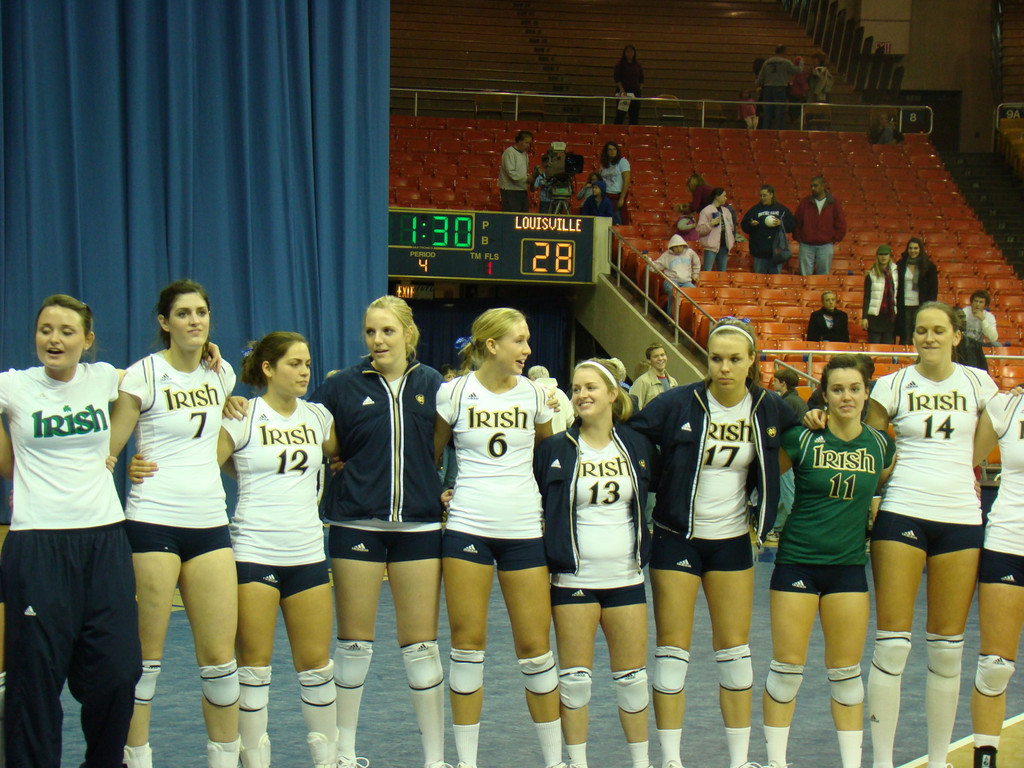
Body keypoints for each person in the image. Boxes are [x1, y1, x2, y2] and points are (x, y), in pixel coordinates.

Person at [130, 332, 342, 768]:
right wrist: (138, 461)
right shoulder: (242, 415)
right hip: (253, 552)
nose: (304, 371)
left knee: (318, 668)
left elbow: (343, 457)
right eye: (294, 364)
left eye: (307, 363)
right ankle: (252, 761)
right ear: (267, 369)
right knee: (253, 670)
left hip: (307, 553)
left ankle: (328, 759)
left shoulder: (320, 418)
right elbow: (200, 460)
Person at [807, 302, 998, 768]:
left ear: (956, 335)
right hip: (902, 512)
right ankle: (883, 761)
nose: (928, 338)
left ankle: (937, 760)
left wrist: (958, 471)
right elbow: (862, 439)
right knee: (892, 644)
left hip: (960, 515)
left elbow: (985, 442)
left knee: (948, 650)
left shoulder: (979, 383)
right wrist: (818, 420)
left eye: (938, 330)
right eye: (921, 331)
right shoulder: (893, 385)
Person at [630, 318, 800, 768]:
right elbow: (633, 435)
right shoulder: (676, 403)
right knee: (672, 651)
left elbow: (798, 441)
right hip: (676, 538)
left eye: (734, 359)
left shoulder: (770, 407)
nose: (724, 368)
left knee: (734, 651)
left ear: (752, 362)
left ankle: (740, 759)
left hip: (731, 542)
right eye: (716, 359)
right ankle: (669, 759)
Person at [0, 295, 141, 767]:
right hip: (37, 543)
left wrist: (219, 373)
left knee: (119, 672)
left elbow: (162, 383)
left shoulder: (104, 378)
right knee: (35, 681)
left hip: (105, 541)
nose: (54, 339)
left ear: (87, 340)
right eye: (45, 329)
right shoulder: (15, 386)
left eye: (65, 331)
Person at [309, 295, 448, 768]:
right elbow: (293, 425)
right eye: (370, 331)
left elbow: (449, 446)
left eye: (387, 331)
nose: (377, 340)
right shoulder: (341, 387)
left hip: (419, 525)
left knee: (423, 645)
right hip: (355, 524)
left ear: (409, 334)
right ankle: (343, 753)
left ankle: (434, 758)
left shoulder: (436, 385)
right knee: (353, 642)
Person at [111, 280, 242, 768]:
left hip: (209, 524)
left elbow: (222, 415)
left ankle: (224, 759)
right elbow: (110, 446)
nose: (194, 321)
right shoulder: (141, 375)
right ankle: (137, 758)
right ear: (164, 322)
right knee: (145, 661)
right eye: (183, 313)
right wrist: (125, 464)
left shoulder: (221, 372)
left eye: (201, 312)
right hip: (152, 523)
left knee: (220, 660)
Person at [434, 308, 563, 768]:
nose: (528, 350)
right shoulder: (453, 393)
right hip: (468, 527)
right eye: (519, 341)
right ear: (491, 345)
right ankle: (466, 762)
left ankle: (554, 760)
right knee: (467, 646)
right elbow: (432, 456)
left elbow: (550, 460)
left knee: (535, 648)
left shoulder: (535, 394)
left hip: (524, 529)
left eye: (528, 340)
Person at [762, 354, 896, 768]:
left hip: (848, 567)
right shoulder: (802, 438)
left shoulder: (880, 444)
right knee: (787, 669)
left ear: (866, 393)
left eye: (855, 388)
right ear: (823, 394)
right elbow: (765, 481)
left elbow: (881, 483)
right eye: (837, 389)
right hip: (798, 562)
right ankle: (776, 762)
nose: (846, 396)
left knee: (846, 673)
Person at [535, 358, 658, 768]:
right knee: (575, 683)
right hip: (574, 579)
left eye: (591, 387)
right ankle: (577, 761)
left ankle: (641, 762)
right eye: (576, 388)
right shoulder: (555, 448)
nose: (582, 394)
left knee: (633, 681)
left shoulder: (637, 446)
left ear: (612, 394)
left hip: (626, 576)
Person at [970, 391, 1024, 768]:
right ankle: (985, 761)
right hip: (1008, 541)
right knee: (995, 667)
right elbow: (961, 460)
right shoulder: (1008, 405)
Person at [766, 369, 808, 544]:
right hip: (797, 453)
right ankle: (778, 527)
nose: (772, 383)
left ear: (783, 383)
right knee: (786, 494)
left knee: (788, 493)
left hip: (788, 453)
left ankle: (790, 530)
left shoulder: (787, 403)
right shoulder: (797, 400)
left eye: (775, 380)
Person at [794, 176, 846, 276]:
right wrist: (799, 237)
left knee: (823, 277)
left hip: (825, 245)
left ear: (823, 186)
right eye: (811, 186)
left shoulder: (834, 203)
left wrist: (832, 239)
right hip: (806, 244)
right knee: (804, 276)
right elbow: (797, 221)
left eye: (815, 185)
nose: (813, 188)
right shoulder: (805, 203)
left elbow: (840, 223)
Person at [741, 185, 796, 275]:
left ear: (771, 195)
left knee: (775, 281)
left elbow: (791, 225)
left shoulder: (781, 209)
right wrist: (751, 224)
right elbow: (744, 226)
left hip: (776, 253)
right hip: (759, 252)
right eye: (761, 195)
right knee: (759, 280)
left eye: (765, 195)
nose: (762, 198)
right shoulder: (755, 210)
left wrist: (781, 223)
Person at [895, 237, 940, 345]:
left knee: (919, 333)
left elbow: (933, 288)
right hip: (904, 305)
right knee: (905, 335)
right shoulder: (900, 265)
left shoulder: (929, 266)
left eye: (915, 248)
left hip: (921, 305)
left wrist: (930, 306)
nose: (913, 251)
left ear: (920, 249)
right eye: (910, 248)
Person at [756, 45, 801, 130]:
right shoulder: (785, 62)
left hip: (768, 89)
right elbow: (797, 71)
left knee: (767, 113)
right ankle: (779, 132)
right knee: (780, 112)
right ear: (784, 52)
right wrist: (801, 63)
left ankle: (766, 132)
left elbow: (761, 77)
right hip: (780, 88)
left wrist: (757, 83)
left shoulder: (767, 62)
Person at [861, 246, 899, 344]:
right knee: (874, 348)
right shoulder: (871, 274)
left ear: (890, 256)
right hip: (875, 316)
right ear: (877, 256)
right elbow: (867, 297)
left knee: (887, 350)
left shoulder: (896, 273)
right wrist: (864, 317)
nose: (883, 257)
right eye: (881, 254)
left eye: (886, 254)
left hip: (890, 316)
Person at [655, 234, 701, 309]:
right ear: (672, 247)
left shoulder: (690, 252)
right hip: (671, 281)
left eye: (680, 246)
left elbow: (697, 262)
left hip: (686, 282)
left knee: (694, 292)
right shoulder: (666, 256)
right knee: (673, 293)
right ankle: (671, 317)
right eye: (676, 247)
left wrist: (695, 275)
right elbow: (656, 266)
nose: (679, 249)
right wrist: (648, 261)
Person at [697, 188, 736, 272]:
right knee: (708, 270)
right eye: (724, 196)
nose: (726, 198)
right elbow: (700, 229)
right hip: (711, 246)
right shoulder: (706, 211)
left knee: (722, 271)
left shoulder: (727, 211)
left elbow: (731, 227)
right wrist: (710, 224)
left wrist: (731, 240)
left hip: (724, 245)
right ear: (717, 197)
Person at [629, 343, 677, 410]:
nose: (660, 358)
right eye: (656, 356)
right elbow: (634, 410)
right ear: (649, 360)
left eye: (662, 355)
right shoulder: (642, 382)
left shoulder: (673, 382)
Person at [528, 365, 574, 434]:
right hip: (560, 441)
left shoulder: (531, 394)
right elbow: (571, 422)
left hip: (538, 442)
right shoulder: (561, 394)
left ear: (532, 379)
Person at [499, 131, 537, 213]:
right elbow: (511, 173)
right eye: (526, 142)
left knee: (522, 215)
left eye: (529, 143)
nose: (528, 145)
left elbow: (523, 171)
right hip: (510, 190)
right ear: (520, 141)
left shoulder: (525, 155)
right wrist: (526, 178)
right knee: (511, 216)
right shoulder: (509, 152)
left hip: (522, 189)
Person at [599, 141, 631, 225]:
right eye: (609, 149)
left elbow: (626, 180)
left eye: (614, 149)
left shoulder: (622, 162)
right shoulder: (604, 164)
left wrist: (622, 198)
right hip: (606, 196)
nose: (612, 151)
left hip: (617, 196)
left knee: (618, 220)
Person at [613, 45, 644, 126]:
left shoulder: (638, 65)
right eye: (628, 51)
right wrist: (621, 89)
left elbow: (641, 79)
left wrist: (639, 89)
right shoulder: (620, 65)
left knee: (634, 116)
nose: (629, 53)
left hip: (635, 93)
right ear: (624, 53)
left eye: (631, 51)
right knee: (621, 115)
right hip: (624, 93)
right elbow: (617, 78)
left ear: (634, 53)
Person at [953, 307, 989, 373]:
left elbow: (984, 370)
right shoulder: (944, 344)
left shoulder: (974, 344)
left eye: (964, 317)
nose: (964, 320)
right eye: (960, 317)